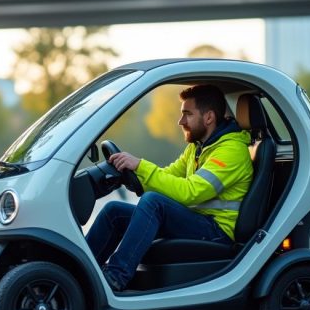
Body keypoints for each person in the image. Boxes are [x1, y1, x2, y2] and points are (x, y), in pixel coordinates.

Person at [86, 84, 253, 291]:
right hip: (197, 221)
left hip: (217, 231)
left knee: (154, 202)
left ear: (209, 117)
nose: (180, 121)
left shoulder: (231, 151)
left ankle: (115, 277)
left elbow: (190, 192)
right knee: (114, 211)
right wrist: (134, 173)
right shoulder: (198, 147)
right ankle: (80, 273)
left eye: (187, 114)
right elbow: (168, 175)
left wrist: (140, 165)